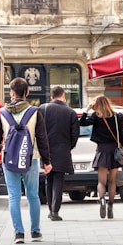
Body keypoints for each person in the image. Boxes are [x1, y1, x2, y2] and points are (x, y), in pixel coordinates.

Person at [0, 77, 52, 244]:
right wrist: (47, 161)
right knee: (33, 195)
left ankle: (18, 233)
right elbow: (42, 138)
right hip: (30, 159)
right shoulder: (35, 112)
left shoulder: (3, 113)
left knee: (14, 197)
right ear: (27, 93)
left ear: (11, 93)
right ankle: (35, 231)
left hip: (9, 160)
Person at [80, 95, 123, 219]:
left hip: (102, 150)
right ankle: (110, 205)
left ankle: (101, 200)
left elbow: (82, 123)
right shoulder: (118, 116)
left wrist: (87, 109)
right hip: (114, 151)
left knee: (101, 181)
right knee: (112, 181)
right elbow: (122, 135)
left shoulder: (96, 117)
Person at [39, 86, 79, 221]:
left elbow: (38, 131)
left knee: (48, 180)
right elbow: (75, 135)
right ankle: (55, 211)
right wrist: (68, 146)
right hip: (62, 151)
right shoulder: (70, 112)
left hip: (46, 151)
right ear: (63, 96)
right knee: (58, 181)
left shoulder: (43, 109)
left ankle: (51, 209)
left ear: (51, 96)